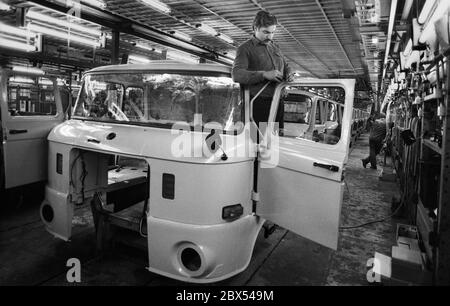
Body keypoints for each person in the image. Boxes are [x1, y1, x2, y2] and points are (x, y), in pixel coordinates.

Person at [232, 10, 293, 129]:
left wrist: (289, 73)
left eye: (272, 32)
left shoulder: (275, 47)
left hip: (278, 101)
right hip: (258, 103)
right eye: (266, 32)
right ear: (255, 28)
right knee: (259, 143)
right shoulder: (245, 49)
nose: (270, 37)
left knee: (276, 141)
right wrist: (264, 74)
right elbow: (237, 74)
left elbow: (286, 65)